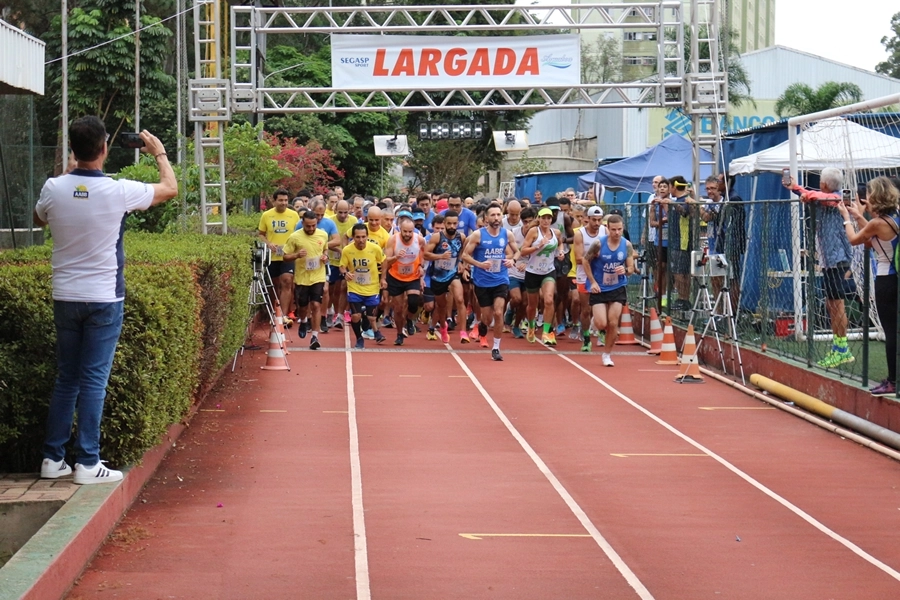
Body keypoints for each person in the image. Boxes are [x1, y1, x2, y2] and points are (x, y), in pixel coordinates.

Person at [35, 117, 177, 484]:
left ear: (73, 149)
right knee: (94, 380)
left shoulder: (53, 188)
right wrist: (158, 152)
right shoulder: (119, 191)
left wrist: (69, 176)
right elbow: (169, 189)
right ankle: (87, 462)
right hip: (103, 297)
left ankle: (53, 459)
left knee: (67, 377)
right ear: (104, 149)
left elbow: (40, 220)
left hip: (64, 295)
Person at [784, 167, 854, 367]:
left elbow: (822, 197)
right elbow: (813, 195)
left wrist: (802, 191)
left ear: (824, 185)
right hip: (829, 259)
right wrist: (796, 189)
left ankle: (842, 349)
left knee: (837, 304)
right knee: (831, 304)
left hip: (838, 259)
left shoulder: (837, 199)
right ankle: (839, 347)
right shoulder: (823, 197)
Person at [838, 177, 899, 394]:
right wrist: (859, 216)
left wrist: (847, 218)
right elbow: (873, 238)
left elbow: (856, 240)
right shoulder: (895, 217)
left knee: (891, 332)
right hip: (896, 278)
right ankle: (894, 379)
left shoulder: (877, 223)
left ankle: (893, 380)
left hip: (886, 280)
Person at [461, 203, 520, 361]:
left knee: (499, 312)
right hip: (482, 281)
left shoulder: (507, 234)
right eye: (493, 215)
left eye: (499, 215)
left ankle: (496, 347)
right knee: (487, 317)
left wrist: (512, 260)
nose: (496, 218)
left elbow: (517, 251)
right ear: (486, 218)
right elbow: (465, 256)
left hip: (501, 279)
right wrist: (480, 264)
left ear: (502, 216)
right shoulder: (478, 235)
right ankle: (482, 325)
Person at [583, 214, 635, 366]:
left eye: (619, 229)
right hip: (599, 286)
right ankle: (596, 323)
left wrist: (625, 269)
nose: (617, 233)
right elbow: (585, 260)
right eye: (613, 230)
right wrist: (592, 282)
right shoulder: (598, 244)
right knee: (601, 323)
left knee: (613, 322)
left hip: (617, 287)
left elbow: (631, 268)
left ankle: (607, 354)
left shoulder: (627, 245)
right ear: (607, 228)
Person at [282, 210, 329, 351]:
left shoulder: (323, 234)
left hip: (318, 276)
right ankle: (303, 321)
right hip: (302, 278)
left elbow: (325, 250)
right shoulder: (294, 237)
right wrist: (296, 255)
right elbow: (285, 256)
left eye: (313, 225)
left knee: (315, 305)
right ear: (302, 223)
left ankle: (315, 336)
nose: (311, 229)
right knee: (302, 307)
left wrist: (325, 257)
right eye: (308, 226)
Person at [520, 207, 564, 345]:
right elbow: (523, 251)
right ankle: (532, 326)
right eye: (543, 218)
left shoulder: (556, 232)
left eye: (548, 218)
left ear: (552, 220)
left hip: (548, 271)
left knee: (549, 300)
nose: (546, 221)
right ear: (538, 218)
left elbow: (560, 243)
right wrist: (538, 246)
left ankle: (546, 331)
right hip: (533, 272)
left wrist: (561, 253)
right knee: (532, 305)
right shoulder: (533, 232)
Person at [341, 222, 387, 349]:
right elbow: (342, 266)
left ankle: (376, 332)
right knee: (356, 316)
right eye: (357, 237)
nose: (361, 240)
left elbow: (384, 261)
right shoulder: (347, 250)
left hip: (372, 287)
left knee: (371, 316)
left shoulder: (375, 248)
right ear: (353, 237)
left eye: (363, 237)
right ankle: (359, 338)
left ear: (367, 236)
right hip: (355, 287)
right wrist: (345, 274)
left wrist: (383, 278)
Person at [383, 213, 427, 346]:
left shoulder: (419, 240)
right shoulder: (393, 240)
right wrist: (396, 257)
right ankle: (399, 334)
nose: (407, 234)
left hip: (412, 276)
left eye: (410, 231)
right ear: (400, 229)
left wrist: (420, 266)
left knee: (414, 302)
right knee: (397, 308)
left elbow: (423, 253)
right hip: (396, 277)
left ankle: (409, 320)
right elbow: (386, 260)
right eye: (405, 231)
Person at [258, 188, 301, 324]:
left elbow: (299, 233)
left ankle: (282, 315)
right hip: (273, 256)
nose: (283, 203)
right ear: (274, 201)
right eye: (280, 200)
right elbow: (260, 234)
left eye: (286, 200)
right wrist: (269, 243)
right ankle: (274, 311)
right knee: (274, 285)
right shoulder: (266, 215)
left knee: (287, 281)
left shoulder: (294, 215)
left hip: (288, 255)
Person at [425, 211, 468, 344]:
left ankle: (463, 332)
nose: (451, 226)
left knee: (460, 299)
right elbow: (425, 254)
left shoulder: (461, 237)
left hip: (453, 273)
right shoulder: (437, 238)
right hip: (438, 277)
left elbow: (463, 252)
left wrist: (461, 263)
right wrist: (440, 256)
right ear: (444, 223)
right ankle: (443, 327)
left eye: (454, 223)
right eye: (449, 223)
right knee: (441, 305)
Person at [573, 206, 607, 352]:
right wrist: (593, 255)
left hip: (601, 274)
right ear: (588, 219)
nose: (597, 223)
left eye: (599, 220)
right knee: (586, 309)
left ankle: (602, 333)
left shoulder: (605, 231)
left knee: (601, 307)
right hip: (583, 275)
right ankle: (586, 338)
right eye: (594, 220)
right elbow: (579, 258)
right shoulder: (580, 234)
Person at [666, 176, 697, 310]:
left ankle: (683, 298)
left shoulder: (685, 200)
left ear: (673, 186)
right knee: (678, 271)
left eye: (669, 186)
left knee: (681, 272)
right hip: (675, 241)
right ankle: (681, 298)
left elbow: (685, 212)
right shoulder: (676, 201)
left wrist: (672, 204)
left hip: (682, 241)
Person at [327, 199, 358, 329]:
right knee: (332, 289)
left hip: (346, 261)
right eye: (340, 212)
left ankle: (339, 315)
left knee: (343, 287)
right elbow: (325, 242)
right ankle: (331, 310)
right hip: (332, 259)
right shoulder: (330, 221)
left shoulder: (354, 221)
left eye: (346, 212)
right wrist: (339, 249)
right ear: (335, 210)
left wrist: (347, 251)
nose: (343, 215)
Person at [648, 177, 670, 305]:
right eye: (660, 186)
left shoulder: (670, 202)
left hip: (671, 240)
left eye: (664, 186)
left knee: (669, 269)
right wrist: (660, 221)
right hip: (659, 239)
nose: (661, 188)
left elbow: (671, 217)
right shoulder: (654, 203)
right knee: (660, 266)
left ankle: (668, 293)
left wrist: (665, 206)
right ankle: (661, 294)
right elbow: (652, 223)